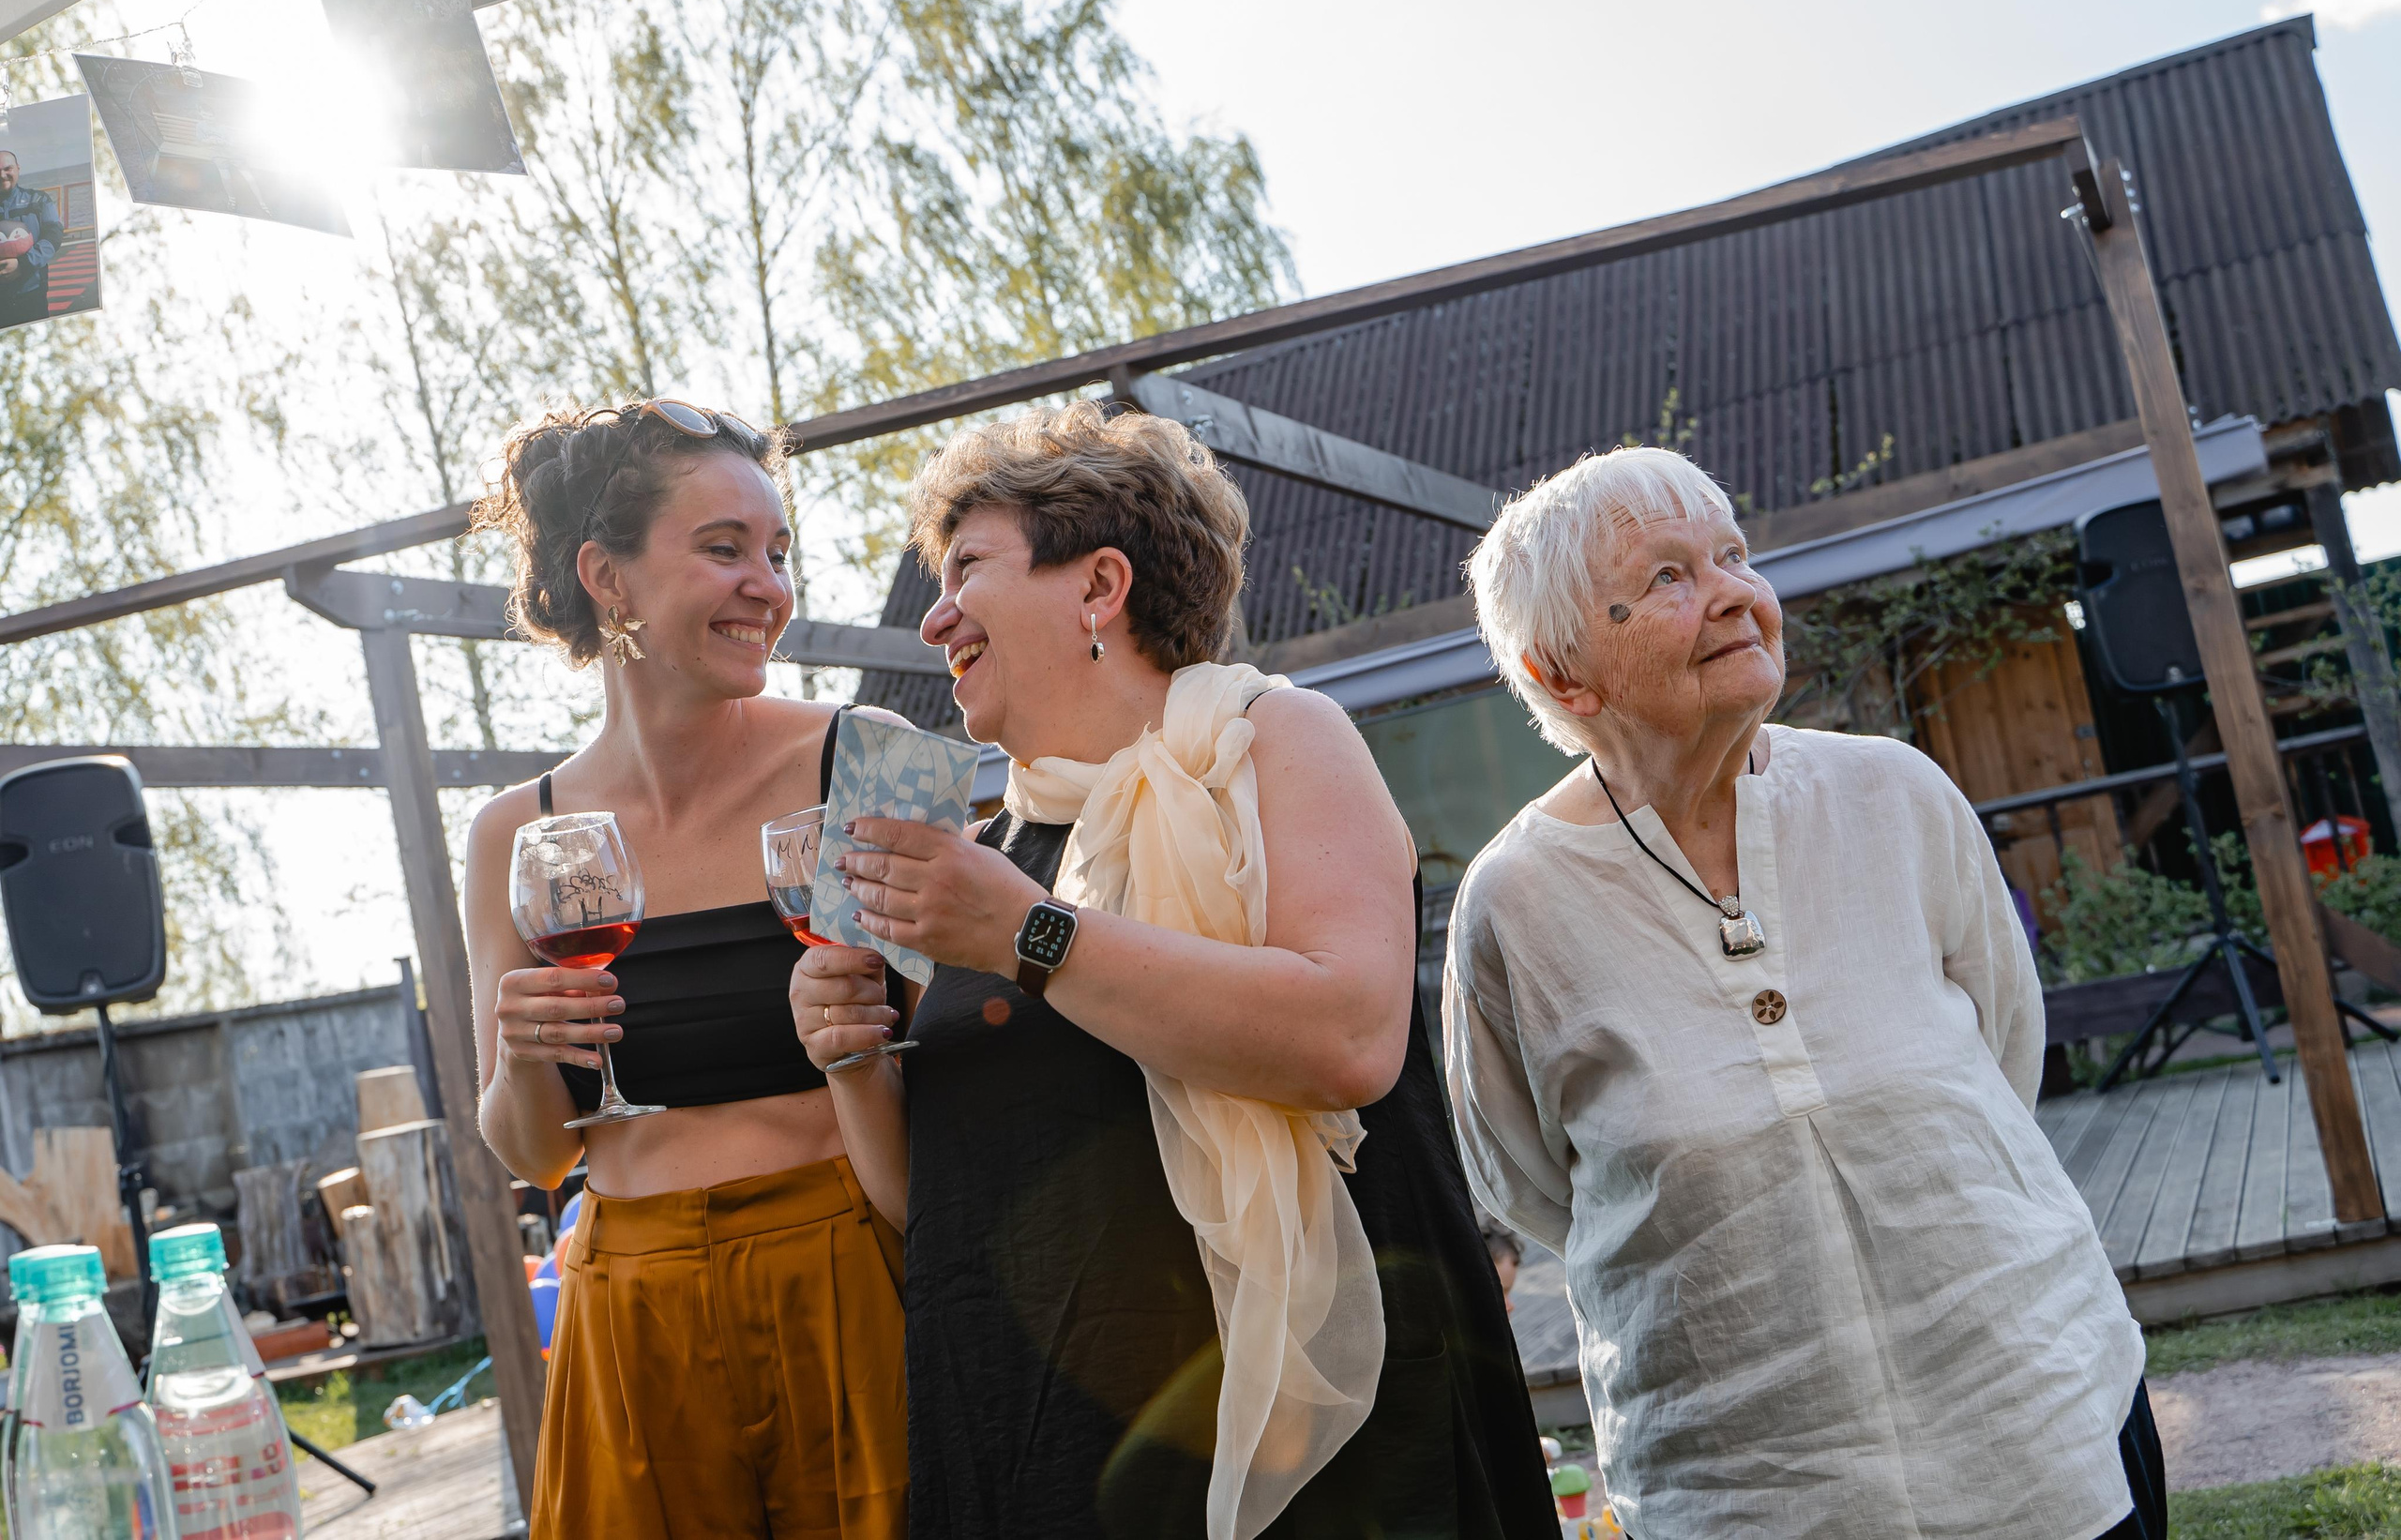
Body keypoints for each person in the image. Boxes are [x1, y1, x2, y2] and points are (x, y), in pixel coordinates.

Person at [793, 400, 1554, 1540]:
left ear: (1099, 586)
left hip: (1324, 1460)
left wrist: (1027, 937)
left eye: (965, 572)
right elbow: (950, 1202)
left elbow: (1346, 1037)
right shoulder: (990, 860)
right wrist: (852, 1065)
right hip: (1058, 1449)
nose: (935, 619)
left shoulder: (1274, 742)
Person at [1442, 445, 2163, 1539]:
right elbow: (1533, 1183)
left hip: (2034, 1419)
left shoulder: (1893, 794)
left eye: (1734, 557)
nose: (1734, 592)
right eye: (1671, 576)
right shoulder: (1514, 904)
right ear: (1562, 675)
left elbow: (2005, 1053)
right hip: (1745, 1485)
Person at [461, 400, 906, 1539]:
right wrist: (524, 1058)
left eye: (777, 551)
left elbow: (954, 1063)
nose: (769, 585)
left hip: (849, 1281)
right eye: (723, 550)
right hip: (631, 1312)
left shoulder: (866, 761)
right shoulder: (522, 830)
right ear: (606, 577)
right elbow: (537, 1153)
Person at [0, 150, 63, 329]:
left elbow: (54, 235)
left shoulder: (38, 200)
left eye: (8, 168)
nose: (2, 175)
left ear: (18, 169)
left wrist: (23, 264)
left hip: (33, 294)